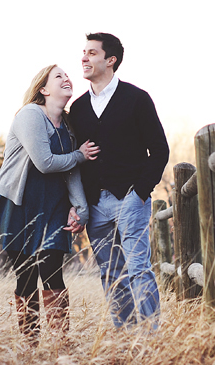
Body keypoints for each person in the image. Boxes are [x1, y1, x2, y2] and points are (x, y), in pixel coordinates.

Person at [0, 64, 99, 344]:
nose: (67, 78)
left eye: (67, 75)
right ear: (43, 89)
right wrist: (80, 155)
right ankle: (30, 345)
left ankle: (60, 345)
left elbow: (70, 171)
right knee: (26, 275)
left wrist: (81, 209)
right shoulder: (31, 115)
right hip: (19, 204)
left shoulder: (67, 125)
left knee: (52, 272)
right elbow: (45, 164)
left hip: (54, 206)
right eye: (59, 76)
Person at [68, 32, 170, 329]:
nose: (84, 58)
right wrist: (81, 203)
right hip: (96, 206)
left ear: (110, 60)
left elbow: (160, 151)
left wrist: (139, 193)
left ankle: (152, 337)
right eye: (83, 53)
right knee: (111, 274)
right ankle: (125, 335)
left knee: (138, 268)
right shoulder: (79, 108)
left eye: (92, 53)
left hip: (130, 199)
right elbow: (78, 160)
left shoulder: (136, 99)